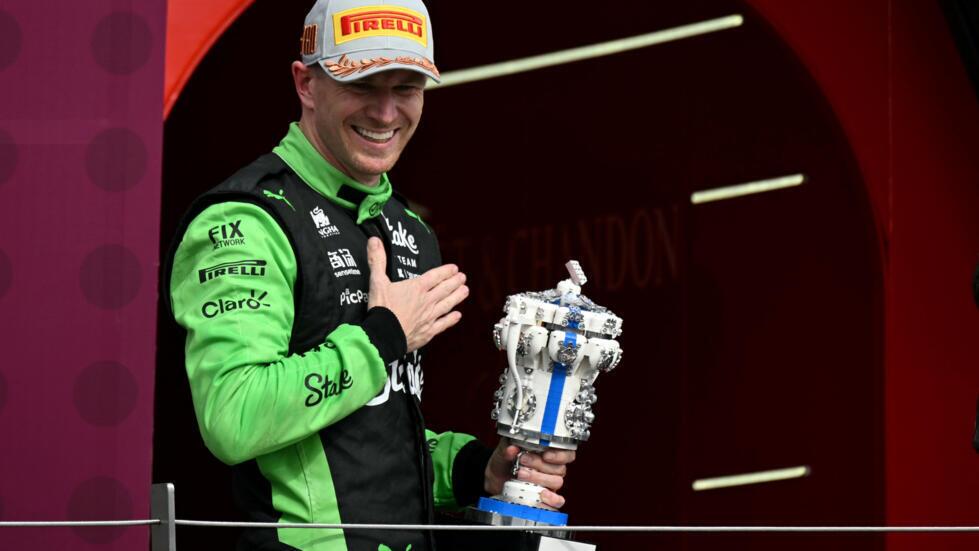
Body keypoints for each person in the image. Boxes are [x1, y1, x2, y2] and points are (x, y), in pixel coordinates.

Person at [163, 1, 574, 549]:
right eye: (363, 86)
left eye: (406, 88)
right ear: (305, 83)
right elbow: (234, 415)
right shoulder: (245, 220)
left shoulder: (407, 227)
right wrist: (382, 336)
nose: (386, 113)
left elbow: (366, 437)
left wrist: (478, 471)